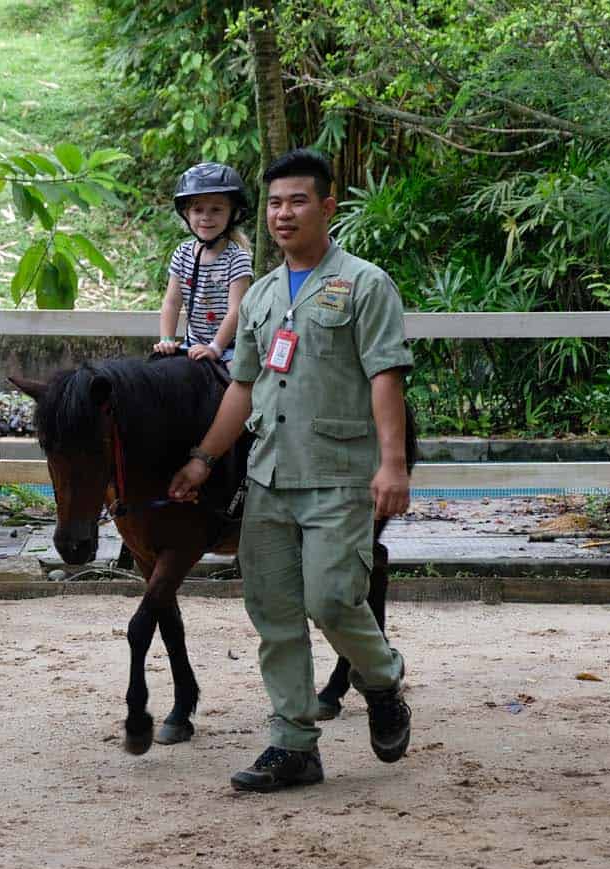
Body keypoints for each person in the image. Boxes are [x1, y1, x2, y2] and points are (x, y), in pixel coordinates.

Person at [168, 148, 414, 792]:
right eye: (275, 203)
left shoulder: (365, 284)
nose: (284, 213)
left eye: (298, 200)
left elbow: (386, 375)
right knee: (274, 613)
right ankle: (294, 742)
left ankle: (382, 678)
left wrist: (393, 466)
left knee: (331, 599)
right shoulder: (264, 294)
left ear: (328, 207)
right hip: (268, 478)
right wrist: (203, 460)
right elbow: (242, 386)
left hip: (337, 474)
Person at [153, 163, 254, 364]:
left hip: (229, 347)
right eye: (198, 210)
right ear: (187, 214)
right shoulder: (182, 254)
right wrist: (167, 339)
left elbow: (236, 310)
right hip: (192, 344)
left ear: (233, 213)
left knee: (238, 381)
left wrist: (215, 348)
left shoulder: (237, 258)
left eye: (216, 209)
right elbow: (172, 302)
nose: (206, 217)